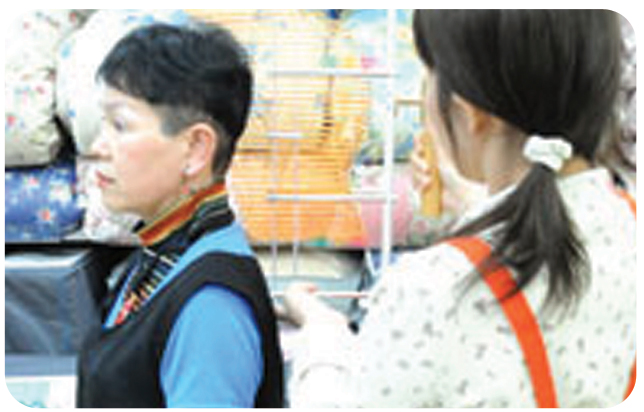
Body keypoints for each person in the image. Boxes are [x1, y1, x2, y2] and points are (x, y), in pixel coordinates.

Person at [280, 10, 636, 408]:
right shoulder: (626, 224)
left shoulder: (428, 290)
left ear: (472, 115)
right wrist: (473, 199)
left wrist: (322, 336)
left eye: (429, 73)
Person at [76, 21, 284, 408]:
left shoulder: (211, 305)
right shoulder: (163, 249)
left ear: (195, 149)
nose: (98, 146)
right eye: (104, 124)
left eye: (120, 125)